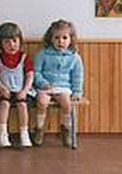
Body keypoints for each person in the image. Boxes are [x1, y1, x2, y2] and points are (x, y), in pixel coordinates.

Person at [32, 18, 84, 147]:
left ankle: (66, 130)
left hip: (63, 87)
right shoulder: (43, 54)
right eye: (57, 38)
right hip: (45, 87)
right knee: (42, 102)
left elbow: (77, 75)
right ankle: (39, 129)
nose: (61, 41)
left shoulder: (74, 57)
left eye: (64, 38)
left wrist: (77, 91)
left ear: (71, 39)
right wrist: (42, 83)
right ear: (51, 38)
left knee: (67, 104)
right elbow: (36, 72)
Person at [0, 21, 35, 148]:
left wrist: (25, 90)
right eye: (7, 42)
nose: (12, 45)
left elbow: (30, 76)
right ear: (0, 44)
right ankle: (3, 134)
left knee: (22, 105)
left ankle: (24, 133)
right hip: (2, 90)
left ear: (20, 41)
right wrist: (1, 88)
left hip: (21, 90)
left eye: (14, 40)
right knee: (4, 104)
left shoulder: (25, 57)